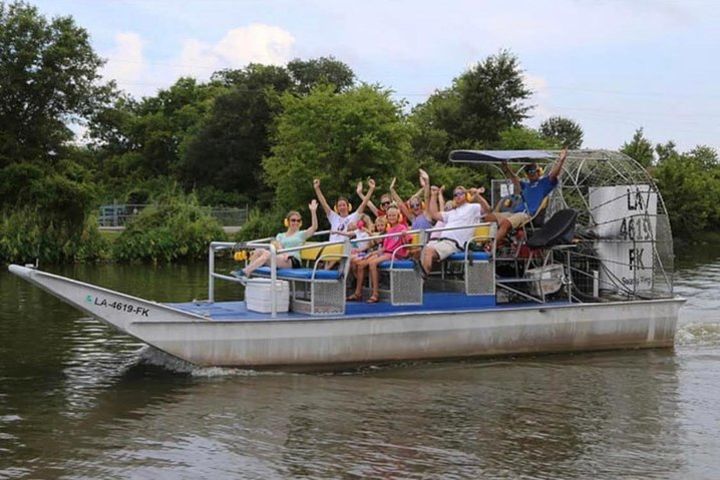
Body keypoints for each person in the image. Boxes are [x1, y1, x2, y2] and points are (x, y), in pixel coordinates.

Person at [486, 148, 568, 246]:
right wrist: (505, 166)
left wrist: (561, 160)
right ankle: (489, 241)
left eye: (533, 171)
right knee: (488, 217)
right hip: (514, 212)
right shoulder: (526, 185)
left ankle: (492, 246)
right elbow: (514, 178)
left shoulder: (544, 183)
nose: (531, 173)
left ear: (538, 172)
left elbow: (554, 174)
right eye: (529, 171)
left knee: (505, 223)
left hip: (526, 215)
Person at [421, 184, 490, 277]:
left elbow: (487, 209)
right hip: (441, 242)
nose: (457, 196)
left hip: (454, 244)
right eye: (455, 194)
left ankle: (421, 282)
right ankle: (416, 281)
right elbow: (434, 214)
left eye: (460, 193)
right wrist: (433, 196)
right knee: (417, 252)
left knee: (428, 251)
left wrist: (477, 196)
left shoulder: (472, 208)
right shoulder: (451, 213)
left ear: (466, 195)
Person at [348, 204, 410, 303]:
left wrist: (404, 236)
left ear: (398, 216)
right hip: (385, 253)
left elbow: (407, 244)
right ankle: (358, 292)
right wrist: (372, 253)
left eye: (393, 215)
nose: (391, 217)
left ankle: (375, 293)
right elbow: (384, 248)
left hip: (394, 254)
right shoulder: (389, 231)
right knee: (360, 264)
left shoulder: (402, 228)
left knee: (372, 263)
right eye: (389, 215)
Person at [242, 200, 319, 276]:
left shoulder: (301, 234)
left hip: (293, 260)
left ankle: (246, 272)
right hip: (281, 257)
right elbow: (277, 246)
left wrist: (313, 211)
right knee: (258, 250)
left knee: (267, 254)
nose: (296, 223)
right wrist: (284, 254)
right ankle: (247, 274)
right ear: (287, 222)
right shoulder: (280, 235)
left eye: (298, 221)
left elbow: (314, 227)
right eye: (293, 220)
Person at [314, 178, 373, 244]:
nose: (342, 207)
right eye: (339, 205)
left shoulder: (353, 217)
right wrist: (317, 188)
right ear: (337, 208)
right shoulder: (334, 217)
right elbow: (324, 203)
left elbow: (364, 203)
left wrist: (371, 189)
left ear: (348, 207)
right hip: (332, 246)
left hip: (345, 248)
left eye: (344, 205)